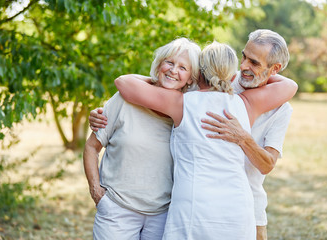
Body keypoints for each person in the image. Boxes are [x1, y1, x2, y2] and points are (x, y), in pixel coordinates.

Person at [114, 41, 298, 239]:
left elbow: (124, 83)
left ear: (198, 74)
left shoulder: (180, 103)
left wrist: (167, 78)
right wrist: (256, 70)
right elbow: (289, 86)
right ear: (232, 75)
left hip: (192, 206)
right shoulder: (247, 104)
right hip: (237, 206)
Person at [83, 37, 201, 240]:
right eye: (170, 63)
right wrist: (96, 192)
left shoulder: (188, 111)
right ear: (159, 64)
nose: (173, 70)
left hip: (163, 216)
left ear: (191, 78)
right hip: (116, 210)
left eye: (183, 67)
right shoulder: (124, 99)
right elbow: (92, 147)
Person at [201, 29, 292, 240]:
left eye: (254, 62)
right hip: (207, 200)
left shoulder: (282, 110)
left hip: (250, 204)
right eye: (243, 56)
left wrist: (243, 138)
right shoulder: (223, 82)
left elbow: (267, 164)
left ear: (275, 69)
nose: (243, 66)